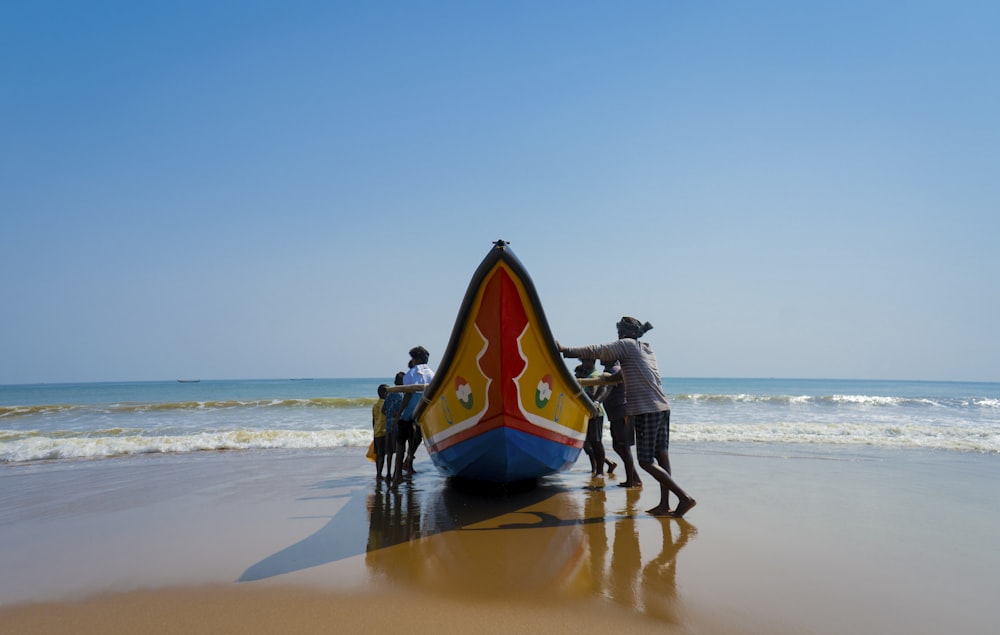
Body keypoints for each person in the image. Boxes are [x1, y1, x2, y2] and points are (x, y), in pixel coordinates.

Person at [559, 317, 696, 517]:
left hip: (645, 409)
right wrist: (590, 381)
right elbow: (619, 376)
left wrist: (564, 350)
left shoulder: (625, 345)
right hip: (662, 407)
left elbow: (596, 350)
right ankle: (665, 504)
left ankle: (684, 498)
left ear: (621, 333)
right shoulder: (646, 348)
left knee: (645, 461)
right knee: (661, 455)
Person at [390, 346, 435, 490]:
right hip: (422, 416)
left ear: (416, 359)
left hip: (409, 414)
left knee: (400, 444)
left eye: (412, 358)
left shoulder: (409, 373)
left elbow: (408, 395)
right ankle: (409, 461)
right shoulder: (433, 374)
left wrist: (399, 415)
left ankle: (397, 476)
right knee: (415, 440)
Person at [601, 358, 642, 488]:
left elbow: (606, 391)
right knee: (617, 446)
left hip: (621, 413)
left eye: (604, 355)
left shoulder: (614, 371)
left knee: (624, 447)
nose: (601, 357)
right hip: (615, 414)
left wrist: (595, 402)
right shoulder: (610, 371)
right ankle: (634, 477)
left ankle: (631, 481)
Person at [575, 358, 615, 477]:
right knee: (590, 442)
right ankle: (596, 469)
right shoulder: (589, 375)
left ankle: (600, 471)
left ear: (591, 362)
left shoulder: (594, 376)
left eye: (585, 362)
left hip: (595, 413)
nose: (583, 365)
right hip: (589, 413)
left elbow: (593, 394)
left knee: (596, 442)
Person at [381, 371, 405, 481]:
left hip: (388, 427)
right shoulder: (402, 395)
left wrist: (389, 416)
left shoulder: (389, 394)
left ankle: (388, 474)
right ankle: (396, 473)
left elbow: (383, 410)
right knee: (399, 451)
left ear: (395, 382)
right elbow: (401, 412)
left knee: (389, 452)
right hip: (397, 427)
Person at [372, 384, 389, 482]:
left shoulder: (375, 405)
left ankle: (378, 473)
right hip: (384, 432)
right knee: (383, 454)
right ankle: (379, 474)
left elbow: (373, 420)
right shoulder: (385, 405)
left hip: (376, 432)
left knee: (378, 454)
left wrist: (374, 431)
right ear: (384, 393)